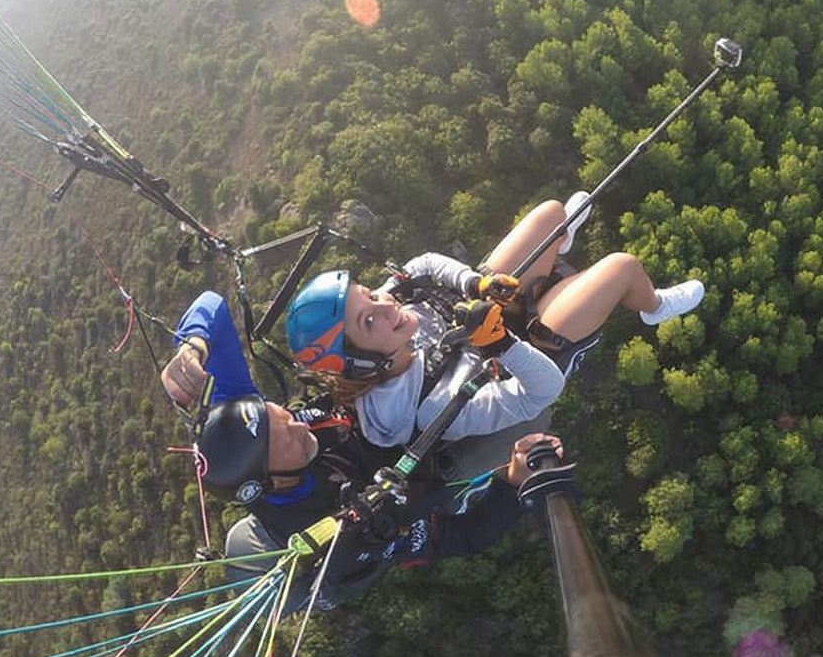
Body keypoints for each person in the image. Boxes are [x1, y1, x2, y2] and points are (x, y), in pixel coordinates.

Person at [282, 192, 705, 459]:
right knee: (622, 269)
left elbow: (421, 266)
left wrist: (474, 281)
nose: (385, 303)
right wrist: (501, 344)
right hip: (530, 353)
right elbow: (540, 393)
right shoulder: (429, 406)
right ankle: (652, 305)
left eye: (370, 294)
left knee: (551, 213)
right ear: (360, 363)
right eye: (368, 318)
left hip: (486, 313)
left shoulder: (392, 312)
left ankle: (558, 245)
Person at [189, 394, 564, 613]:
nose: (299, 427)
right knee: (537, 407)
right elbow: (460, 536)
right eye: (285, 436)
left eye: (286, 417)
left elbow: (214, 313)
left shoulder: (297, 452)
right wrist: (513, 484)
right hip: (444, 471)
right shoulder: (349, 549)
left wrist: (196, 345)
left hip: (414, 424)